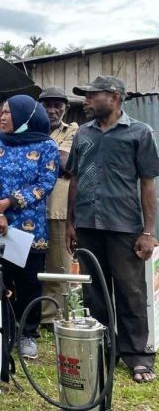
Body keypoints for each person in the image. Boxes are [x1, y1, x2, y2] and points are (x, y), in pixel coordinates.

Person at [66, 75, 159, 383]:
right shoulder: (83, 134)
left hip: (124, 226)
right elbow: (75, 180)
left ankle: (138, 356)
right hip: (88, 224)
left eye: (93, 95)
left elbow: (147, 184)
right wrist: (70, 223)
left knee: (131, 291)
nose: (86, 101)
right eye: (85, 96)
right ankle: (104, 348)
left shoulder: (140, 133)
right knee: (95, 291)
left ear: (115, 97)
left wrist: (148, 231)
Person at [0, 94, 59, 359]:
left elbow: (45, 183)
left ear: (25, 116)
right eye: (1, 112)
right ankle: (3, 331)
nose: (1, 117)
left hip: (29, 228)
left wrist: (8, 203)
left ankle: (28, 334)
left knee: (28, 283)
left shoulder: (46, 146)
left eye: (7, 113)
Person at [37, 86, 78, 328]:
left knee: (58, 268)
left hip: (58, 210)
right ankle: (30, 313)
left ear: (65, 108)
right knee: (31, 266)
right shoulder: (29, 130)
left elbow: (67, 164)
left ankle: (51, 318)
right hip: (29, 212)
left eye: (57, 105)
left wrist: (35, 154)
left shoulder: (73, 132)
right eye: (46, 105)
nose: (52, 110)